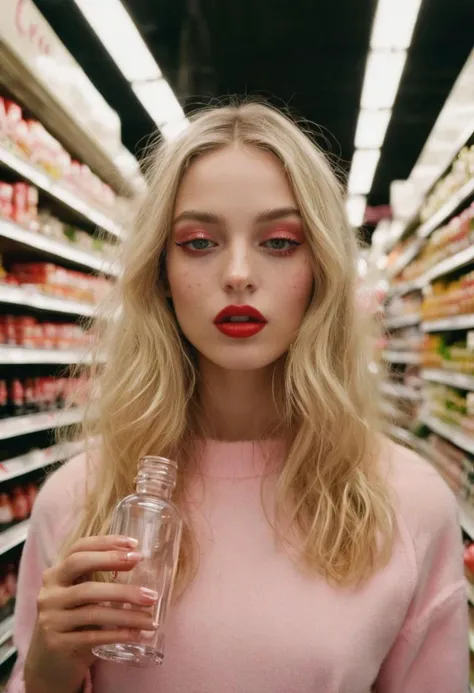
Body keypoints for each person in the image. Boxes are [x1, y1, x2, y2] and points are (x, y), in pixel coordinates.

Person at [7, 103, 468, 693]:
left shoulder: (408, 505)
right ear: (161, 276)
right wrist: (47, 675)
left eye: (279, 241)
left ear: (322, 269)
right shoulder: (79, 500)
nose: (239, 273)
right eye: (200, 242)